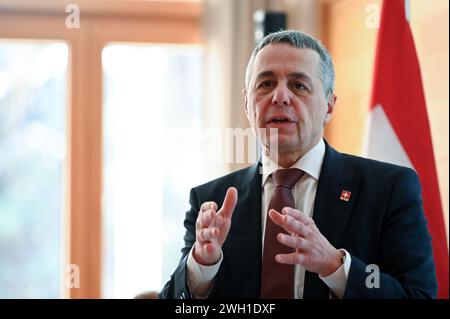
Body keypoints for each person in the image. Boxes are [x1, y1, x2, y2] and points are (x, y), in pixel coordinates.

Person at [159, 30, 437, 299]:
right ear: (247, 105)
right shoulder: (211, 200)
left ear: (329, 106)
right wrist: (202, 266)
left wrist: (336, 266)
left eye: (298, 85)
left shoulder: (388, 189)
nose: (280, 96)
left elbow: (417, 294)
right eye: (266, 84)